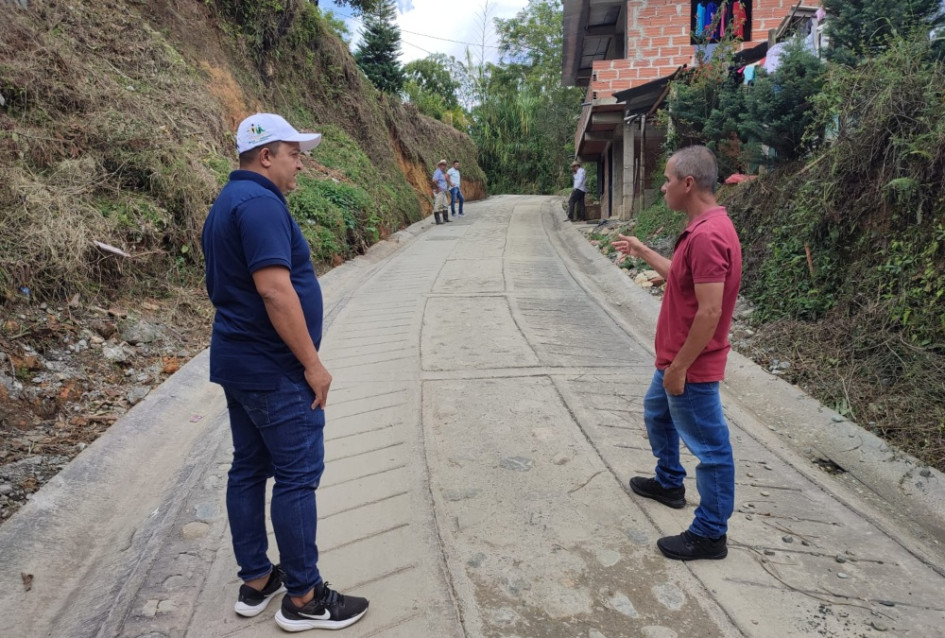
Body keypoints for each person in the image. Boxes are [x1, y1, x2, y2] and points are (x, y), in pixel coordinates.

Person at [201, 113, 369, 631]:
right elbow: (276, 290)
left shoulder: (229, 202)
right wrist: (312, 365)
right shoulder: (259, 205)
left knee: (248, 468)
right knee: (296, 478)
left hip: (239, 361)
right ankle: (303, 597)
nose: (301, 163)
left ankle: (257, 580)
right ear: (266, 154)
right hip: (274, 370)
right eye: (294, 153)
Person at [612, 145, 742, 561]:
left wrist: (680, 368)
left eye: (667, 180)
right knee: (657, 413)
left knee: (712, 449)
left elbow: (709, 310)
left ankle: (710, 533)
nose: (663, 187)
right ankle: (669, 482)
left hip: (690, 366)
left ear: (688, 184)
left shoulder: (706, 236)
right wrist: (643, 250)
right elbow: (683, 281)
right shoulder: (703, 227)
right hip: (674, 360)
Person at [432, 159, 452, 224]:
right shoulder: (438, 172)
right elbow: (434, 180)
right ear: (440, 165)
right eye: (442, 165)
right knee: (437, 205)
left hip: (443, 191)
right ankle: (438, 221)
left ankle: (445, 219)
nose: (443, 166)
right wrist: (438, 187)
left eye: (444, 165)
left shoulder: (442, 173)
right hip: (439, 191)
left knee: (445, 204)